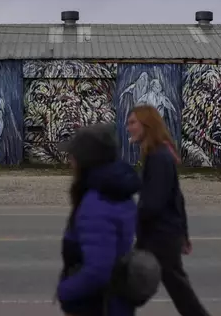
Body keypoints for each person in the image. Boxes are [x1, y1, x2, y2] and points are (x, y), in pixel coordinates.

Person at [126, 105, 211, 316]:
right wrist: (183, 233)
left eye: (132, 123)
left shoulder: (158, 157)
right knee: (175, 290)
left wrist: (128, 220)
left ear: (147, 125)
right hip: (161, 235)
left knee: (131, 287)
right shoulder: (159, 153)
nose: (128, 128)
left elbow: (154, 203)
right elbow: (177, 197)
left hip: (159, 238)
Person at [56, 123, 141, 316]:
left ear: (86, 160)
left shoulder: (97, 203)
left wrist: (66, 291)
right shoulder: (116, 192)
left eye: (74, 156)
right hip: (115, 301)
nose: (70, 161)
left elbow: (98, 270)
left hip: (98, 305)